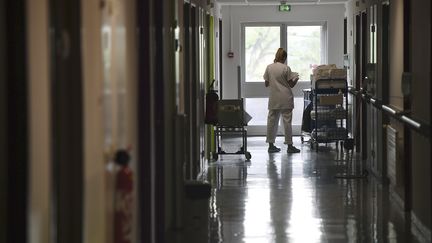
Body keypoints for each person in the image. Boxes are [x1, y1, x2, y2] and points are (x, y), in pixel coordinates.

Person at [263, 48, 301, 153]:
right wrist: (296, 79)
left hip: (274, 98)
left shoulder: (269, 67)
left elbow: (266, 84)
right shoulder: (286, 68)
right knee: (287, 122)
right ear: (284, 57)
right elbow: (291, 85)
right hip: (285, 98)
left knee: (271, 121)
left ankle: (271, 145)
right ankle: (289, 146)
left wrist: (273, 82)